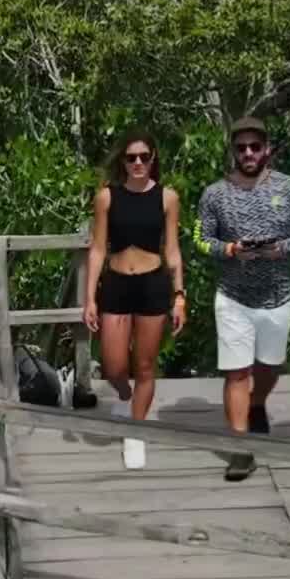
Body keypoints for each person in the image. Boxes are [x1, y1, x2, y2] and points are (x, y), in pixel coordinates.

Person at [197, 116, 290, 480]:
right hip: (232, 297)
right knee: (236, 372)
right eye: (240, 147)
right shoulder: (214, 194)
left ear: (267, 149)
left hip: (278, 295)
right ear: (232, 151)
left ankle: (258, 403)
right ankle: (240, 449)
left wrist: (282, 248)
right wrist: (230, 249)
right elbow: (201, 240)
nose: (247, 153)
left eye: (254, 146)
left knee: (269, 366)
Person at [83, 128, 186, 427]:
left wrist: (179, 296)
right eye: (131, 158)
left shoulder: (168, 198)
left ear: (153, 159)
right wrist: (89, 298)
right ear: (123, 162)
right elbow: (98, 250)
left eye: (144, 156)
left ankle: (136, 432)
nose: (138, 163)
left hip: (152, 284)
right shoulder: (106, 197)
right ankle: (125, 397)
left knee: (144, 367)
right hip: (116, 284)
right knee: (114, 368)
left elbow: (173, 251)